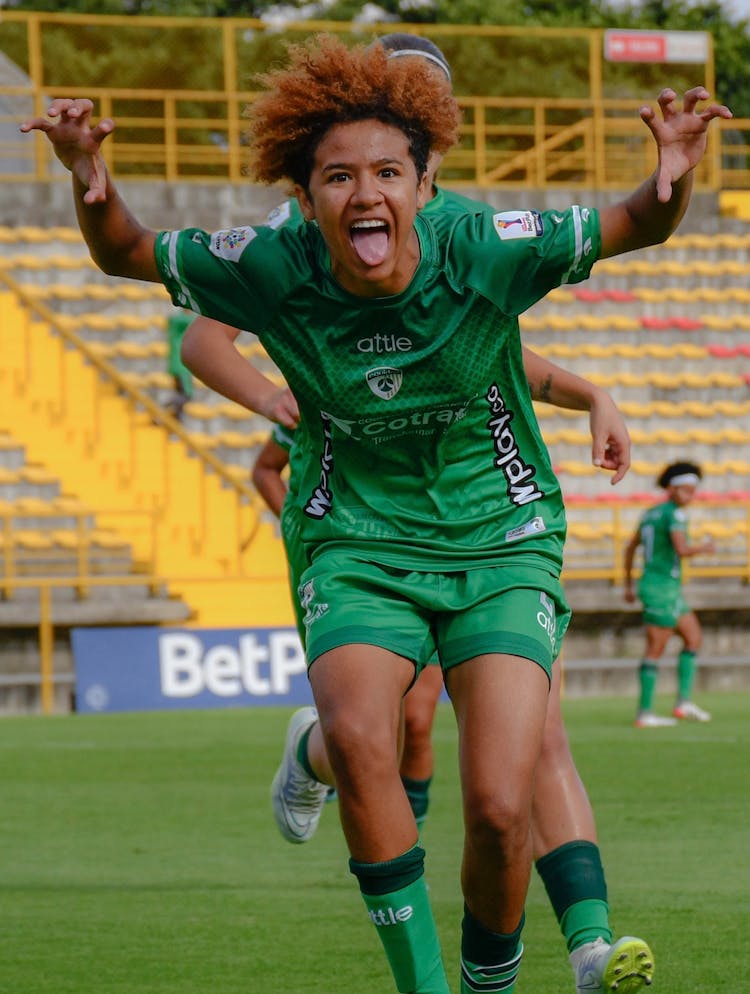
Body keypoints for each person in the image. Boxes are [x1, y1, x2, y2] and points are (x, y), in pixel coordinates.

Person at [22, 34, 730, 994]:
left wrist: (673, 173)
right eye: (340, 176)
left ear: (425, 173)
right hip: (354, 533)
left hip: (500, 537)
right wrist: (89, 172)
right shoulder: (273, 259)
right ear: (305, 192)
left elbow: (634, 222)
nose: (367, 192)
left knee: (496, 800)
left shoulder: (478, 246)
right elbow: (131, 257)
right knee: (368, 734)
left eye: (389, 170)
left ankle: (521, 963)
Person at [623, 461, 715, 728]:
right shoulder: (674, 515)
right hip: (660, 588)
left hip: (665, 587)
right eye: (686, 491)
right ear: (673, 489)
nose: (690, 496)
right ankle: (644, 713)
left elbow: (629, 548)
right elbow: (682, 549)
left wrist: (629, 585)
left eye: (692, 491)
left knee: (693, 637)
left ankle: (683, 702)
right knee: (656, 648)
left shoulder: (651, 513)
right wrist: (705, 548)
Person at [164, 306, 196, 420]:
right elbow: (197, 321)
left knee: (179, 394)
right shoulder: (182, 321)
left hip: (176, 364)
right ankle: (161, 409)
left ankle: (176, 421)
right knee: (187, 395)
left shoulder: (177, 321)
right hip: (182, 366)